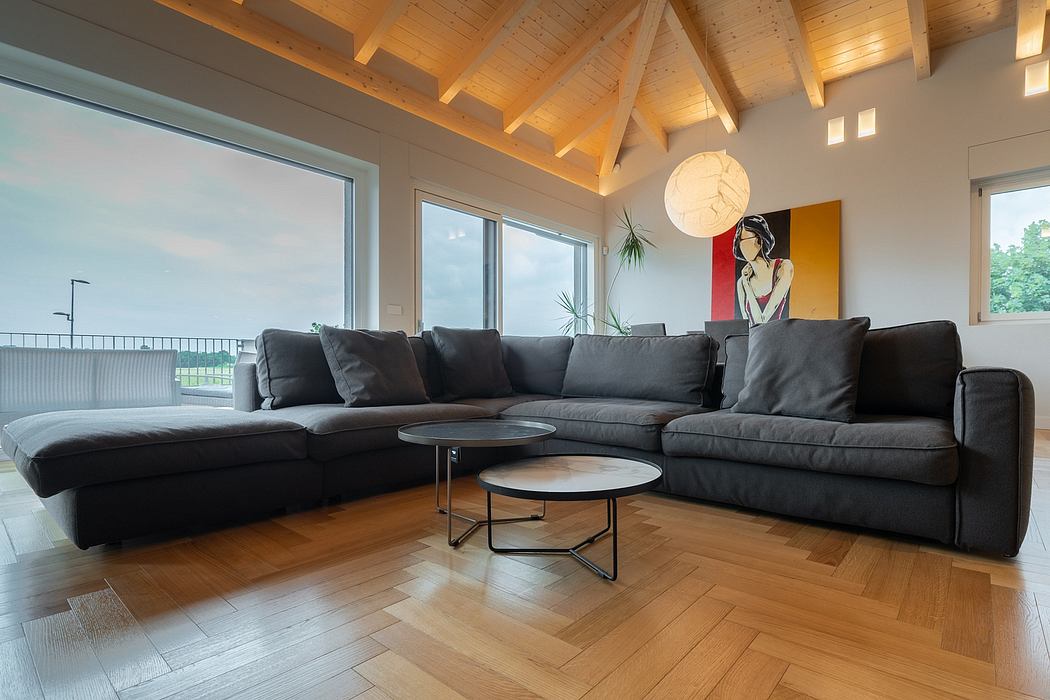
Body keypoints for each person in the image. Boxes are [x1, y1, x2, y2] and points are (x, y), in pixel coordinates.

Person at [733, 215, 794, 325]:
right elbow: (748, 325)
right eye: (740, 241)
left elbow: (761, 322)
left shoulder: (783, 267)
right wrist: (746, 283)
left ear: (760, 241)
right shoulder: (742, 283)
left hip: (776, 337)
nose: (742, 246)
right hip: (755, 340)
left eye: (745, 240)